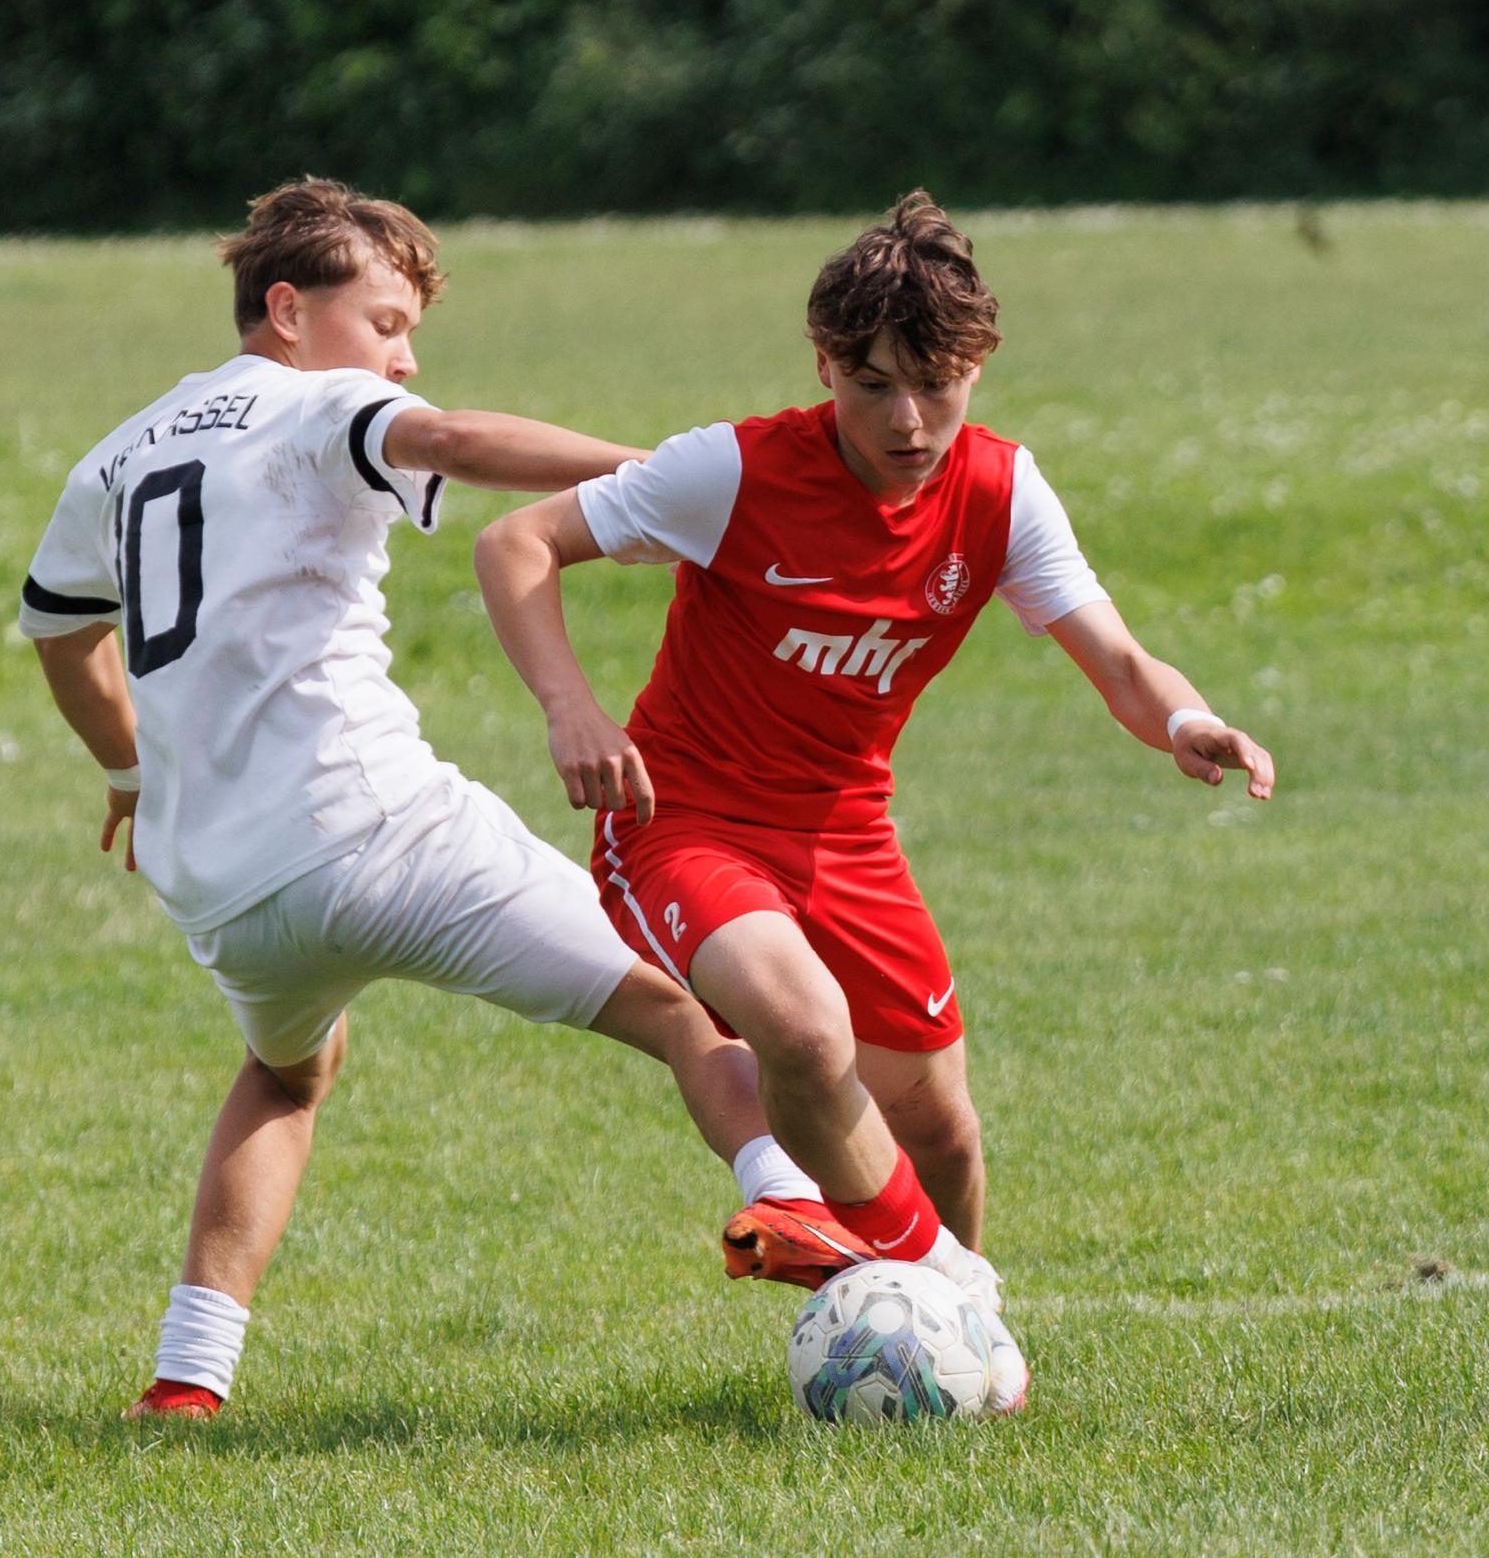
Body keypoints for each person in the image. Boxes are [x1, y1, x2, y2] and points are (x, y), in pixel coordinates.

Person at [474, 190, 1279, 1419]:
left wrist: (1184, 720)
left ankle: (950, 1364)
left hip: (846, 831)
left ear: (977, 368)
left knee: (940, 1129)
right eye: (872, 387)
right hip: (682, 819)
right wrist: (570, 708)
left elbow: (1119, 661)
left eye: (935, 386)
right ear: (824, 368)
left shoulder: (999, 493)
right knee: (802, 1034)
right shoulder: (733, 471)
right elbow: (515, 544)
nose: (907, 421)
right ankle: (950, 1288)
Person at [18, 177, 778, 1419]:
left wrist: (126, 772)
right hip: (376, 832)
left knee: (285, 1077)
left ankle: (187, 1379)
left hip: (221, 889)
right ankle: (790, 1200)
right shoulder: (319, 400)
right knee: (685, 1002)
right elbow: (457, 442)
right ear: (286, 310)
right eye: (384, 323)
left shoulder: (116, 453)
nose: (403, 358)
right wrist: (662, 481)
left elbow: (62, 636)